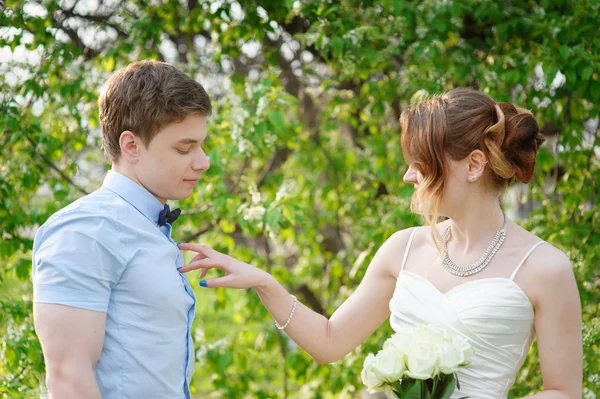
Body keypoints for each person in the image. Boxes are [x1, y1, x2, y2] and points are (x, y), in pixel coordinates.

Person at [178, 88, 583, 398]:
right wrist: (263, 282)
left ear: (474, 165)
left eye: (421, 165)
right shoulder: (402, 248)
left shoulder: (546, 268)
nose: (409, 176)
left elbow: (564, 392)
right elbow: (330, 341)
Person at [32, 60, 211, 399]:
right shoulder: (87, 230)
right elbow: (68, 379)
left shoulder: (148, 227)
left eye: (201, 145)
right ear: (131, 146)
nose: (203, 161)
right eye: (185, 148)